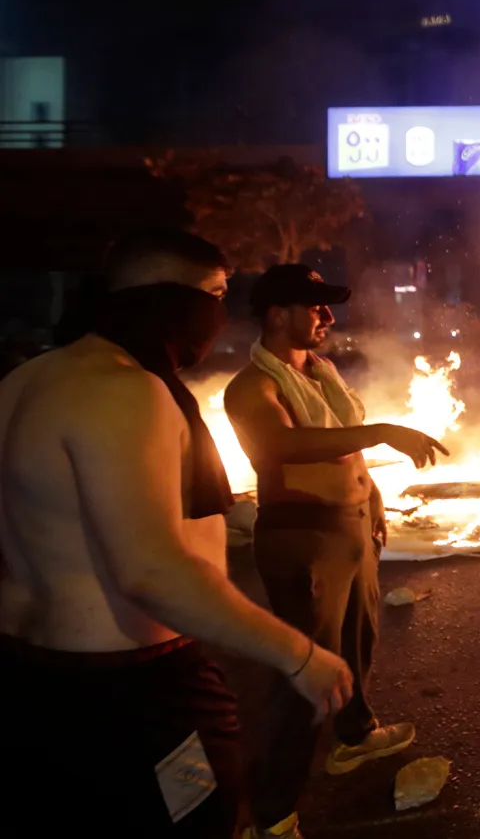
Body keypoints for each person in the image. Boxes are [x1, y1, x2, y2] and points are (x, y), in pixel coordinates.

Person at [0, 229, 352, 837]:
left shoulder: (23, 382)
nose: (220, 315)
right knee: (200, 820)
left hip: (29, 680)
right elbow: (150, 570)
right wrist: (298, 655)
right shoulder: (122, 389)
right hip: (132, 694)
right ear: (170, 298)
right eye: (215, 295)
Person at [224, 265, 447, 839]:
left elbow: (345, 450)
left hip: (350, 527)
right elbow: (279, 444)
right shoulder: (252, 386)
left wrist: (371, 498)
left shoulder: (320, 373)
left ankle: (354, 737)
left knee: (357, 640)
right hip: (305, 535)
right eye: (315, 306)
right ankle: (270, 816)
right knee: (306, 670)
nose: (327, 316)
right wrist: (382, 431)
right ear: (278, 315)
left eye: (328, 306)